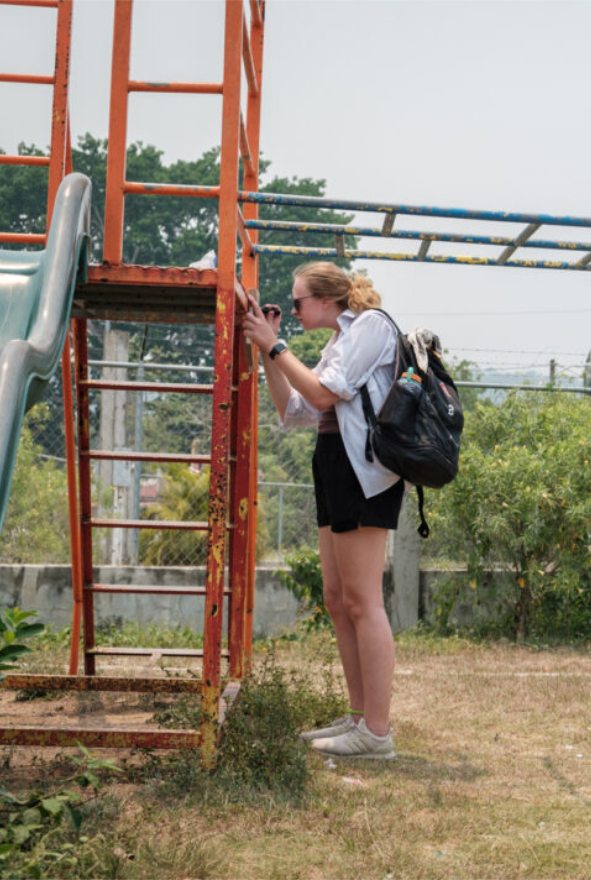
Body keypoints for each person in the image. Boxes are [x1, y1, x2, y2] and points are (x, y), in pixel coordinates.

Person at [242, 261, 404, 760]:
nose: (292, 311)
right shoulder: (337, 342)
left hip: (364, 473)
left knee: (363, 602)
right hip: (333, 464)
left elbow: (320, 391)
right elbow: (295, 411)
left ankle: (376, 733)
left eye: (298, 303)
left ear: (328, 300)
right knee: (337, 599)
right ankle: (358, 718)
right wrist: (268, 352)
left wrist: (275, 345)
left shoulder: (371, 328)